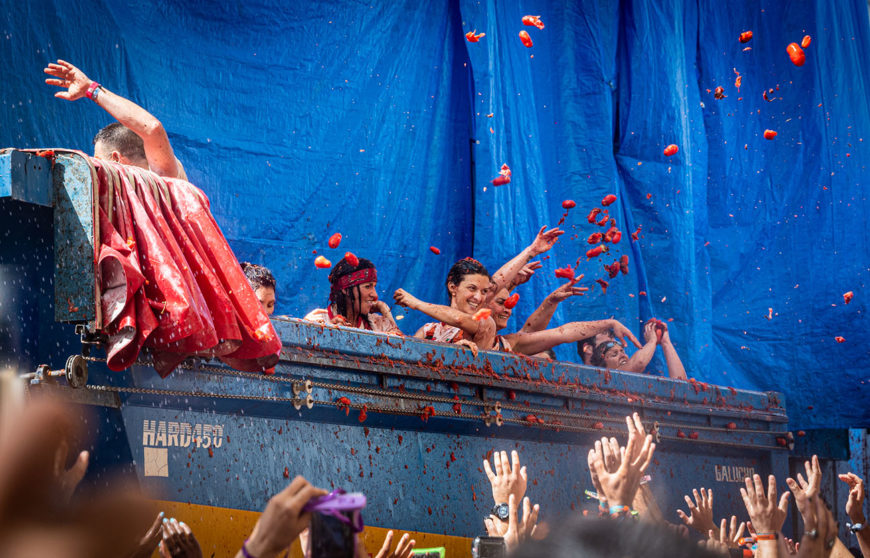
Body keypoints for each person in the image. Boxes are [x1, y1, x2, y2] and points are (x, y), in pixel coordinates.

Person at [394, 226, 564, 353]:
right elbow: (408, 358)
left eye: (484, 292)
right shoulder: (429, 331)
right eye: (472, 288)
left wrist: (531, 251)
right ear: (453, 287)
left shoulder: (485, 324)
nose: (478, 297)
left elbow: (494, 285)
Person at [43, 59, 187, 179]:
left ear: (116, 160)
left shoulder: (163, 178)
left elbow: (152, 128)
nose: (96, 172)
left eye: (99, 163)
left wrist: (91, 89)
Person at [486, 286, 641, 356]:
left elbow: (563, 333)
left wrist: (610, 323)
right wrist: (531, 251)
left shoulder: (507, 344)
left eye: (510, 304)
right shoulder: (465, 335)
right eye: (501, 303)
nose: (508, 310)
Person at [304, 255, 401, 334]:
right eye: (368, 286)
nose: (375, 295)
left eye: (374, 286)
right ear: (345, 289)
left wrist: (383, 308)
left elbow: (406, 350)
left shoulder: (379, 324)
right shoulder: (318, 322)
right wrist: (323, 332)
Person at [591, 320, 687, 380]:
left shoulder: (637, 382)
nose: (623, 355)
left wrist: (666, 343)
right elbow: (639, 363)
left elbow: (681, 385)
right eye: (614, 354)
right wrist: (652, 341)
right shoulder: (603, 377)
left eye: (622, 351)